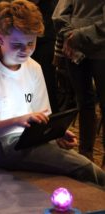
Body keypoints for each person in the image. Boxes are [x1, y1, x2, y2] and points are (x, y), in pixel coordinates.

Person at [0, 0, 105, 187]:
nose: (25, 51)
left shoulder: (33, 67)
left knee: (76, 163)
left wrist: (56, 133)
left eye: (30, 43)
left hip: (29, 139)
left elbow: (42, 116)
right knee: (83, 166)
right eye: (17, 45)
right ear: (0, 39)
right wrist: (17, 121)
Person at [52, 0, 105, 169]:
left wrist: (78, 35)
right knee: (84, 103)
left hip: (101, 48)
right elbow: (59, 14)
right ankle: (86, 154)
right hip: (73, 47)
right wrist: (70, 35)